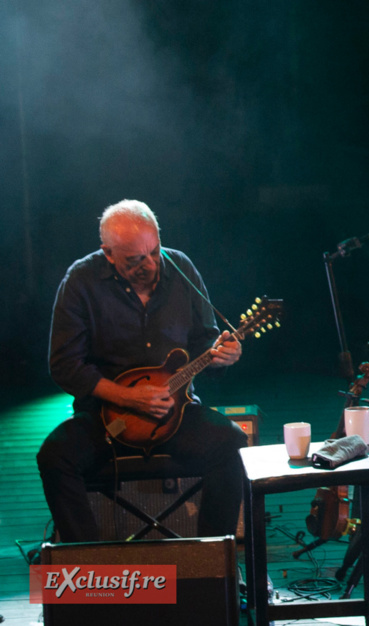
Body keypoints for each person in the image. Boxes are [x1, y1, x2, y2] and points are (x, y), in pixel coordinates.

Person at [37, 199, 248, 543]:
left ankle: (213, 562)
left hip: (175, 412)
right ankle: (93, 568)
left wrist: (223, 355)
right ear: (108, 253)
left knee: (233, 444)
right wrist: (127, 397)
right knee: (54, 457)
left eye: (154, 251)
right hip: (106, 417)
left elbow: (205, 341)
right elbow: (64, 365)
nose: (149, 264)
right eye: (134, 259)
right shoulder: (80, 280)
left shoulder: (181, 268)